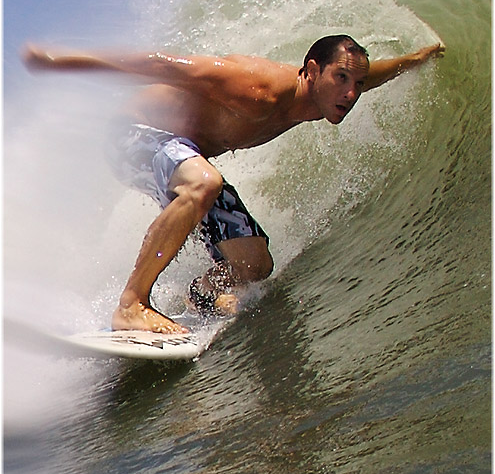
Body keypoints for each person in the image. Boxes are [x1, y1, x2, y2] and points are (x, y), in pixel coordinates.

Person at [22, 35, 444, 333]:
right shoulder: (256, 86)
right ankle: (131, 304)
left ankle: (201, 294)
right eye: (341, 80)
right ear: (312, 71)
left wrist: (420, 56)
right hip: (131, 135)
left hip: (185, 156)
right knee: (205, 181)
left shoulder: (326, 96)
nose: (351, 94)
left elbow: (379, 72)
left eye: (358, 84)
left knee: (255, 266)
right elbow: (161, 64)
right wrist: (64, 61)